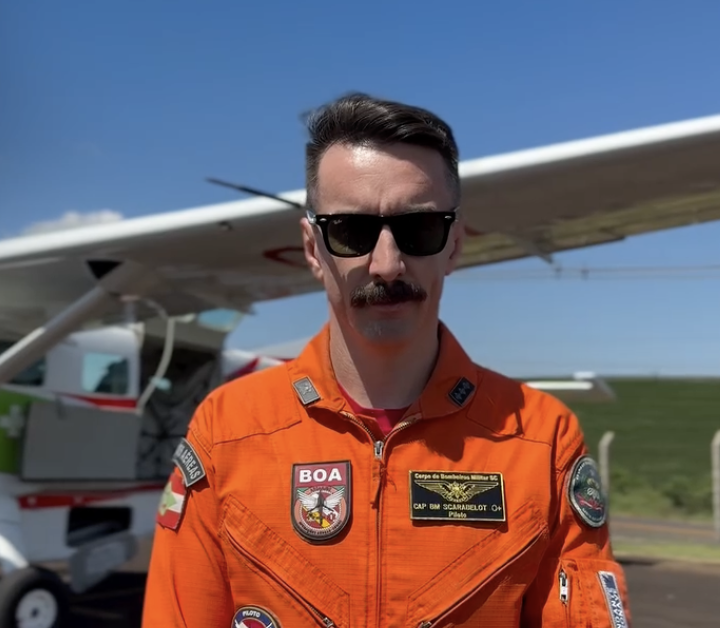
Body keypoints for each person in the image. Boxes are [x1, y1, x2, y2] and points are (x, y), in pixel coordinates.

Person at [142, 92, 631, 628]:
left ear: (454, 244)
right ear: (312, 248)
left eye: (419, 229)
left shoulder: (542, 439)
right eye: (350, 231)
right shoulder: (227, 430)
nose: (387, 264)